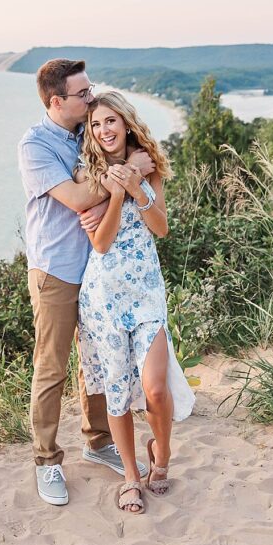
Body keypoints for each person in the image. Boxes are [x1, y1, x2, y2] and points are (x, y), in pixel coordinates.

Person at [18, 60, 153, 507]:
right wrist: (124, 176)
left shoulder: (87, 131)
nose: (91, 98)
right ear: (57, 102)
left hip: (98, 268)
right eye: (82, 94)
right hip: (56, 269)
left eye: (90, 90)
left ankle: (97, 441)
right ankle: (47, 461)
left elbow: (120, 158)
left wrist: (128, 164)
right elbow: (76, 198)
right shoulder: (35, 145)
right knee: (52, 366)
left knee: (96, 361)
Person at [75, 91, 195, 514]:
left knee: (155, 388)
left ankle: (160, 457)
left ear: (125, 123)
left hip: (146, 292)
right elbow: (102, 242)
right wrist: (117, 193)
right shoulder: (88, 175)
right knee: (117, 395)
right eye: (95, 125)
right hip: (103, 297)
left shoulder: (150, 164)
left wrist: (136, 187)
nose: (104, 130)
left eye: (111, 121)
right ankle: (130, 476)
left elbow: (160, 228)